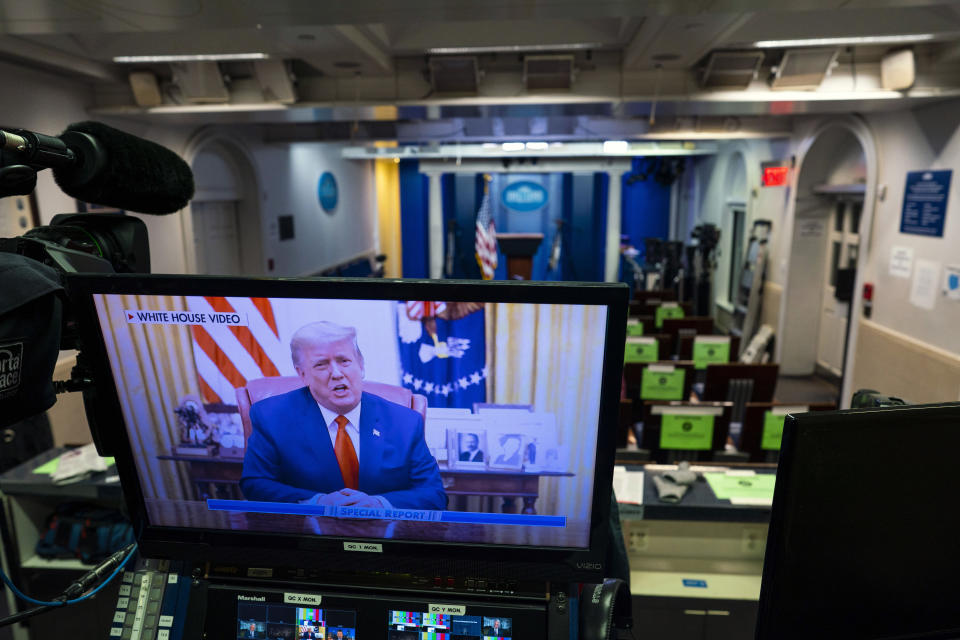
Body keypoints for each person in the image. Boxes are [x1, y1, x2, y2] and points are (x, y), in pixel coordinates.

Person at [241, 321, 447, 510]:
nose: (336, 373)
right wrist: (318, 502)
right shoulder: (271, 417)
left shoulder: (405, 422)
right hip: (309, 538)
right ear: (302, 374)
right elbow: (255, 484)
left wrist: (379, 503)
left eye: (344, 361)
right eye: (321, 364)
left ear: (361, 365)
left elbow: (434, 494)